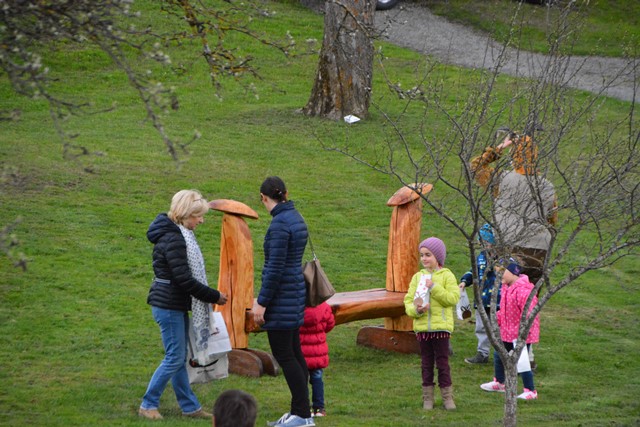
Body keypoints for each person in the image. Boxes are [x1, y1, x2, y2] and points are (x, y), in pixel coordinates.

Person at [139, 189, 228, 420]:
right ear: (185, 213)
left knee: (178, 356)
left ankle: (190, 407)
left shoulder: (178, 234)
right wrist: (214, 296)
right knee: (175, 357)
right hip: (168, 305)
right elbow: (185, 280)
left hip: (174, 303)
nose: (201, 220)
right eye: (197, 216)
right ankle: (148, 404)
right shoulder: (174, 238)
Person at [252, 176, 315, 427]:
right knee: (295, 353)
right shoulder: (296, 217)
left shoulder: (279, 225)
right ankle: (301, 413)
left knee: (285, 355)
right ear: (286, 194)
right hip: (295, 293)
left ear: (263, 198)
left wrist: (262, 301)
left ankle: (301, 415)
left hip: (282, 298)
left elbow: (274, 268)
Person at [404, 237, 460, 411]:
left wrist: (434, 287)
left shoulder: (447, 275)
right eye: (422, 255)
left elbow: (452, 299)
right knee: (426, 364)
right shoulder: (417, 277)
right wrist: (417, 310)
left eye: (428, 255)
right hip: (422, 329)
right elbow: (408, 301)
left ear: (438, 256)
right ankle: (427, 398)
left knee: (442, 363)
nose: (424, 259)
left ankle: (447, 398)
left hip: (441, 328)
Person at [480, 259, 540, 400]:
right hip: (506, 331)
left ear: (514, 272)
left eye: (502, 272)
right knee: (498, 355)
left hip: (521, 333)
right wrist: (497, 321)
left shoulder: (523, 291)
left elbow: (530, 313)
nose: (498, 276)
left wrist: (524, 331)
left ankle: (530, 390)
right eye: (497, 273)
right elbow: (504, 309)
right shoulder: (506, 288)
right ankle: (500, 382)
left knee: (522, 360)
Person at [459, 224, 499, 364]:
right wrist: (465, 281)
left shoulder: (502, 259)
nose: (483, 245)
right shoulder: (481, 257)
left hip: (498, 302)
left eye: (486, 242)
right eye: (482, 242)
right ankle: (483, 353)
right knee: (481, 327)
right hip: (481, 300)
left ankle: (503, 354)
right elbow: (473, 271)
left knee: (498, 328)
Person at [299, 302, 335, 418]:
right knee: (317, 379)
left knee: (300, 380)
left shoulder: (297, 306)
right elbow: (330, 325)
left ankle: (304, 407)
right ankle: (319, 408)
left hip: (301, 351)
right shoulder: (324, 307)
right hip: (317, 352)